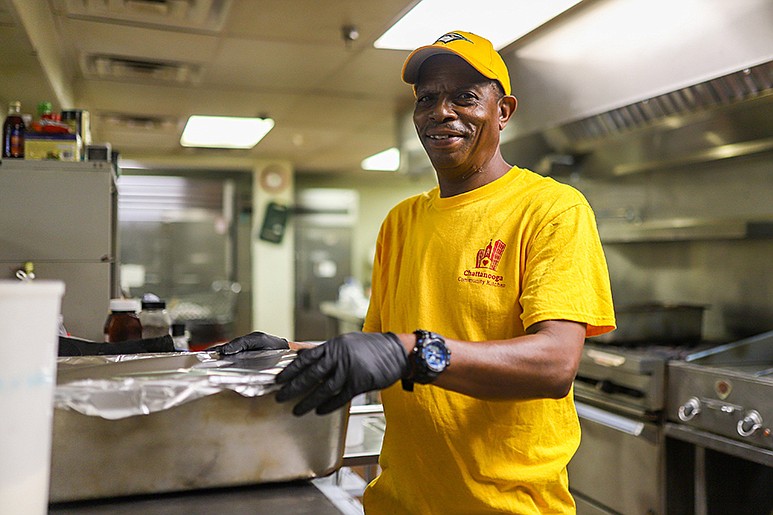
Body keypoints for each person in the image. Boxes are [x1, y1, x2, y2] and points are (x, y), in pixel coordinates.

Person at [217, 30, 615, 514]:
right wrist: (289, 353)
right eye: (428, 98)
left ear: (503, 111)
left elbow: (555, 364)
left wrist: (410, 352)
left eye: (465, 97)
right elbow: (383, 348)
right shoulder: (401, 222)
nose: (442, 111)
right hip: (398, 504)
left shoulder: (552, 209)